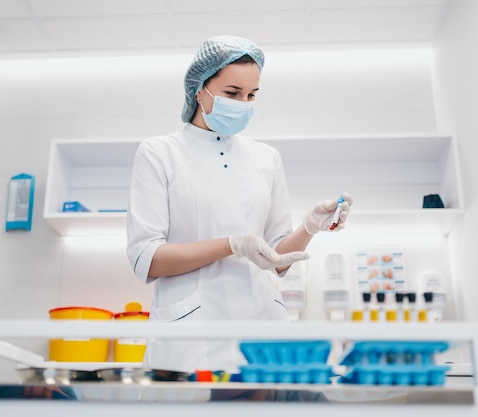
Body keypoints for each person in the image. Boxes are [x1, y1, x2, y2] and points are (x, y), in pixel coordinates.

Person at [126, 35, 353, 373]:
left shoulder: (266, 158)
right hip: (191, 338)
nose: (243, 103)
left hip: (263, 333)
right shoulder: (160, 153)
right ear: (198, 88)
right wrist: (231, 245)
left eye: (251, 95)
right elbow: (147, 259)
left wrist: (308, 227)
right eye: (232, 93)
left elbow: (276, 260)